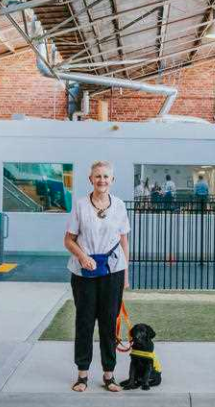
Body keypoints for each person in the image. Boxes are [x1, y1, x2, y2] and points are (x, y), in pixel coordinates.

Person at [64, 161, 130, 393]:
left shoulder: (120, 206)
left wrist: (125, 275)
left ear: (112, 180)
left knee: (108, 323)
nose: (102, 180)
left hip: (112, 271)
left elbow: (123, 241)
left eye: (106, 177)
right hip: (84, 273)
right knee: (84, 321)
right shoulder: (81, 206)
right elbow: (68, 239)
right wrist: (82, 257)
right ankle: (82, 375)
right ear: (90, 179)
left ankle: (109, 375)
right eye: (97, 176)